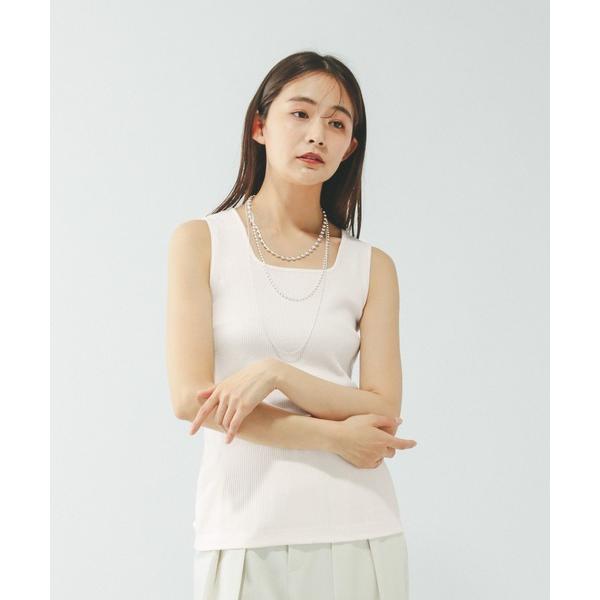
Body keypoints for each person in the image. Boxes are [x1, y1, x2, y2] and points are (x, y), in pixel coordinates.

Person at [166, 50, 418, 600]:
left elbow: (382, 408)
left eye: (337, 124)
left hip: (361, 526)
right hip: (244, 526)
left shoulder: (372, 266)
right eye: (300, 114)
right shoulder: (201, 243)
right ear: (259, 126)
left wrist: (277, 374)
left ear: (350, 148)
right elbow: (192, 400)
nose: (317, 135)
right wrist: (334, 436)